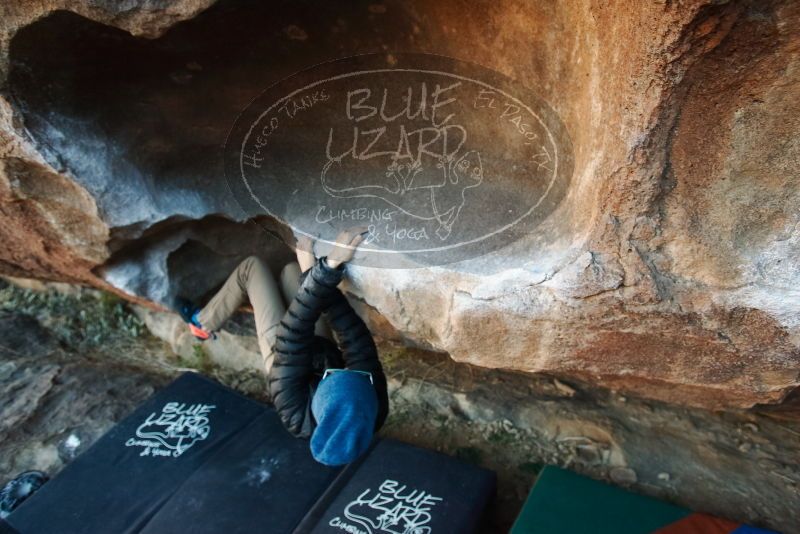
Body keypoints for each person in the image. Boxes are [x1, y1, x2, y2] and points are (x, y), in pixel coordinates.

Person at [178, 227, 388, 466]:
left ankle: (203, 323)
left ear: (320, 394)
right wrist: (323, 272)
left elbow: (292, 335)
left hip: (283, 355)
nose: (349, 368)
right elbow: (354, 336)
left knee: (251, 268)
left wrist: (324, 270)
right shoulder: (371, 403)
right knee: (292, 271)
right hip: (322, 350)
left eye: (333, 376)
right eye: (354, 373)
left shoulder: (293, 409)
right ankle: (305, 279)